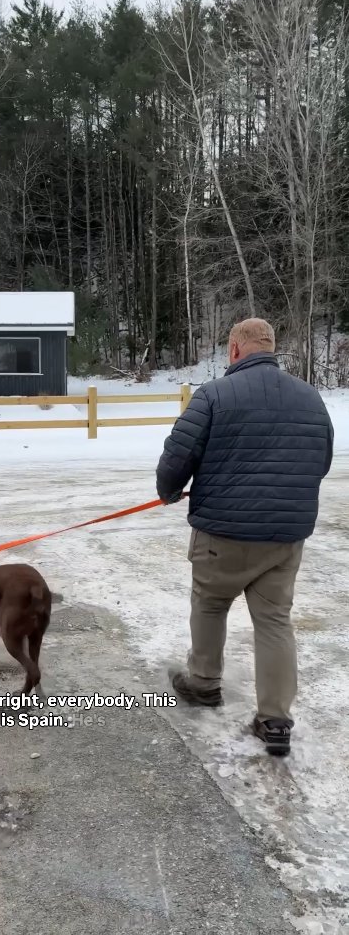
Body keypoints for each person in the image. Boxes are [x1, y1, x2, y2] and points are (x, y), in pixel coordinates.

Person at [156, 318, 334, 756]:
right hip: (285, 535)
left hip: (223, 530)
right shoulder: (310, 397)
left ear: (235, 350)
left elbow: (179, 453)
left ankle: (203, 682)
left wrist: (169, 490)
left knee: (211, 602)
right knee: (274, 621)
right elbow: (322, 459)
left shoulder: (214, 395)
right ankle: (275, 719)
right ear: (271, 348)